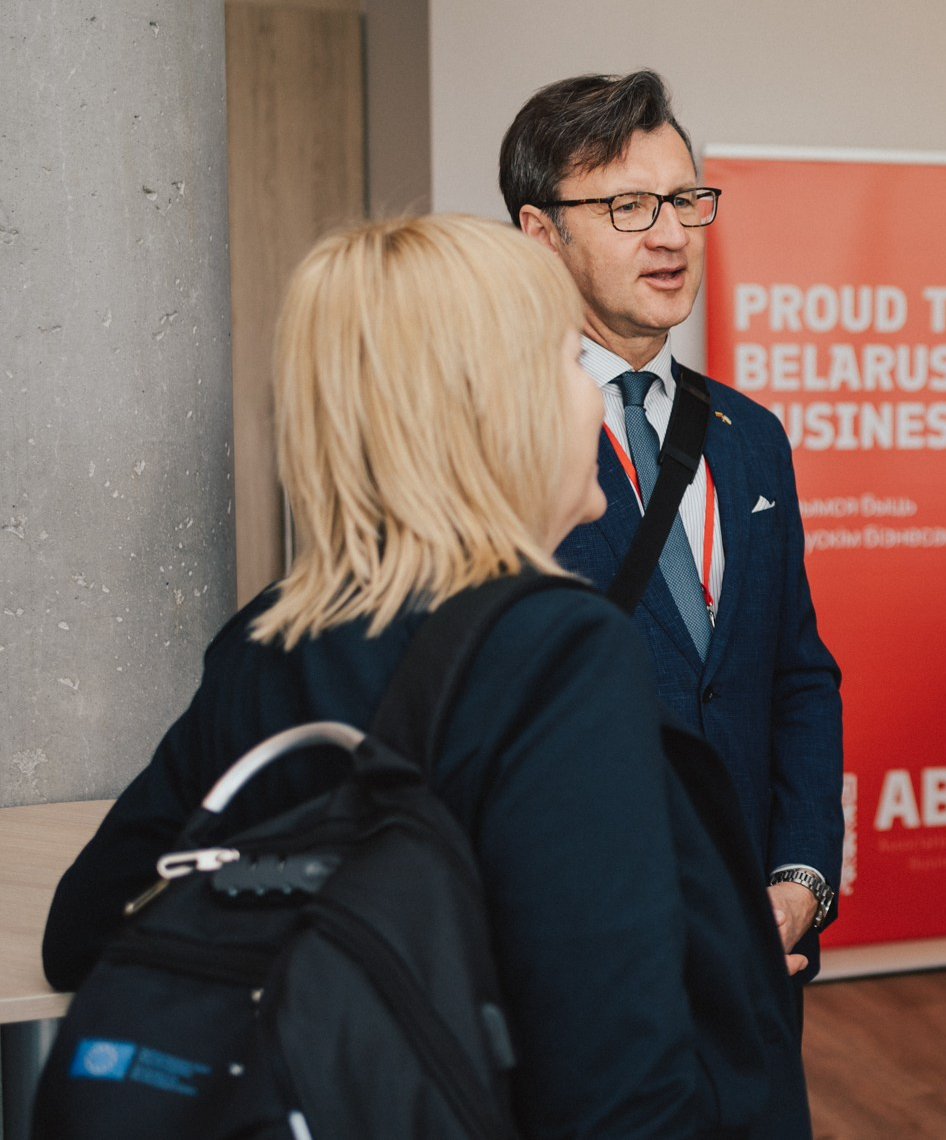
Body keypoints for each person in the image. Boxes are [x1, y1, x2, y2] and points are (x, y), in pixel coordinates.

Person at [43, 214, 808, 1138]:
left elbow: (87, 925)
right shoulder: (556, 656)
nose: (593, 399)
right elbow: (615, 1085)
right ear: (499, 408)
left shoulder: (271, 636)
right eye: (569, 365)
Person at [499, 72, 844, 979]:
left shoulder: (750, 436)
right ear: (541, 233)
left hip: (755, 944)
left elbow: (796, 675)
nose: (671, 233)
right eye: (628, 205)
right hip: (579, 949)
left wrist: (801, 882)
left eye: (686, 199)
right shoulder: (485, 435)